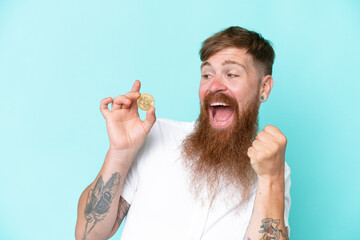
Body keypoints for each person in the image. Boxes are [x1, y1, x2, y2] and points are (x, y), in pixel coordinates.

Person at [75, 26, 291, 240]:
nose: (214, 86)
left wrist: (271, 178)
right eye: (206, 75)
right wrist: (120, 151)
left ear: (264, 88)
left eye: (231, 74)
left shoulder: (272, 169)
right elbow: (88, 235)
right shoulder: (156, 136)